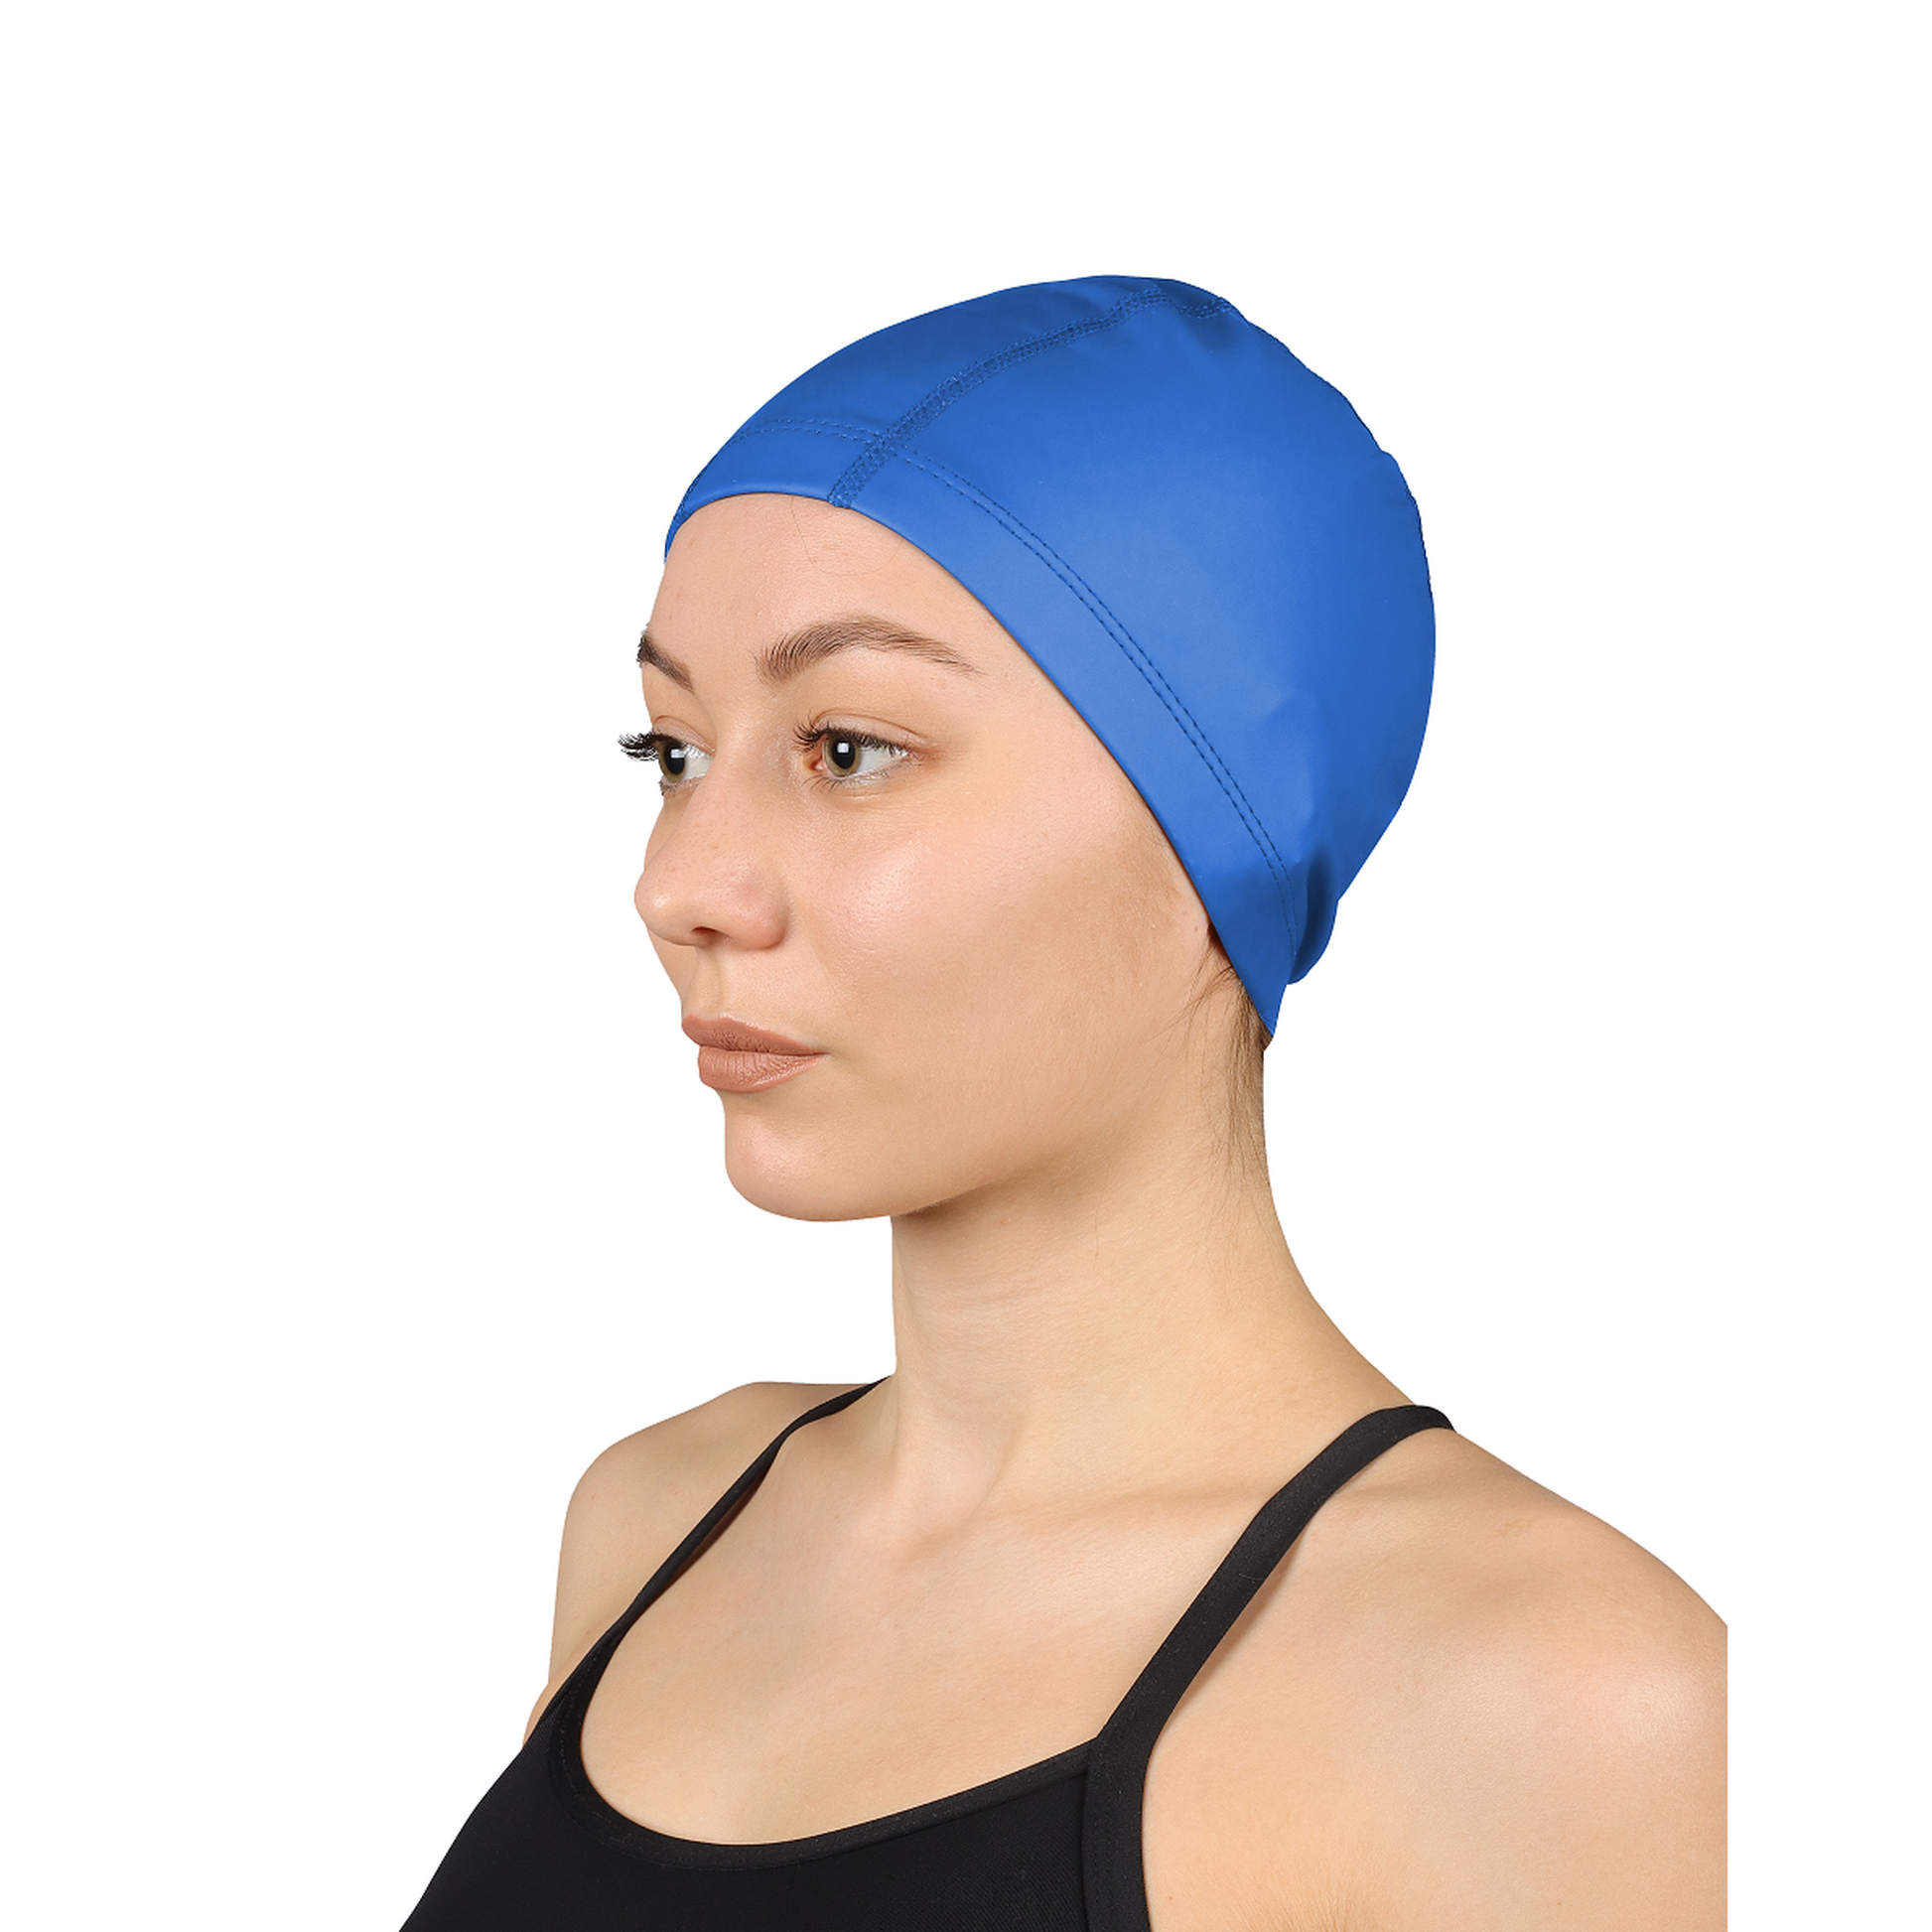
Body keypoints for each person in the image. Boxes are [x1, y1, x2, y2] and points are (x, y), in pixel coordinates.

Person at [402, 277, 1725, 1931]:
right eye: (671, 751)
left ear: (1223, 837)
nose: (679, 886)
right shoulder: (654, 1516)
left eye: (847, 748)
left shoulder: (1557, 1693)